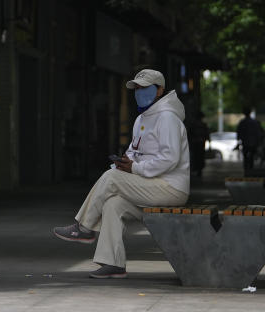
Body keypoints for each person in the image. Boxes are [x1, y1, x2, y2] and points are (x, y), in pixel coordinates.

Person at [52, 68, 190, 279]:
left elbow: (169, 159)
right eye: (136, 88)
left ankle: (85, 226)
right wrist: (124, 164)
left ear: (160, 90)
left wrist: (134, 168)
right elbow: (133, 153)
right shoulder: (141, 119)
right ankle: (113, 263)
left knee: (112, 178)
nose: (139, 91)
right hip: (150, 186)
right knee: (113, 203)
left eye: (145, 88)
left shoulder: (168, 118)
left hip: (170, 188)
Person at [236, 107, 263, 172]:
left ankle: (246, 170)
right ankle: (251, 169)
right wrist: (258, 142)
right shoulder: (254, 122)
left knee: (245, 157)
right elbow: (258, 133)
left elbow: (239, 133)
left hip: (245, 142)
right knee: (251, 157)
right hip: (253, 143)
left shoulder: (242, 122)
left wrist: (238, 141)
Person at [185, 109, 211, 177]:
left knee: (196, 157)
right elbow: (207, 135)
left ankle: (197, 170)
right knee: (200, 157)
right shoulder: (203, 125)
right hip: (200, 143)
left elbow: (189, 135)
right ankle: (199, 170)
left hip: (196, 143)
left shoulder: (194, 125)